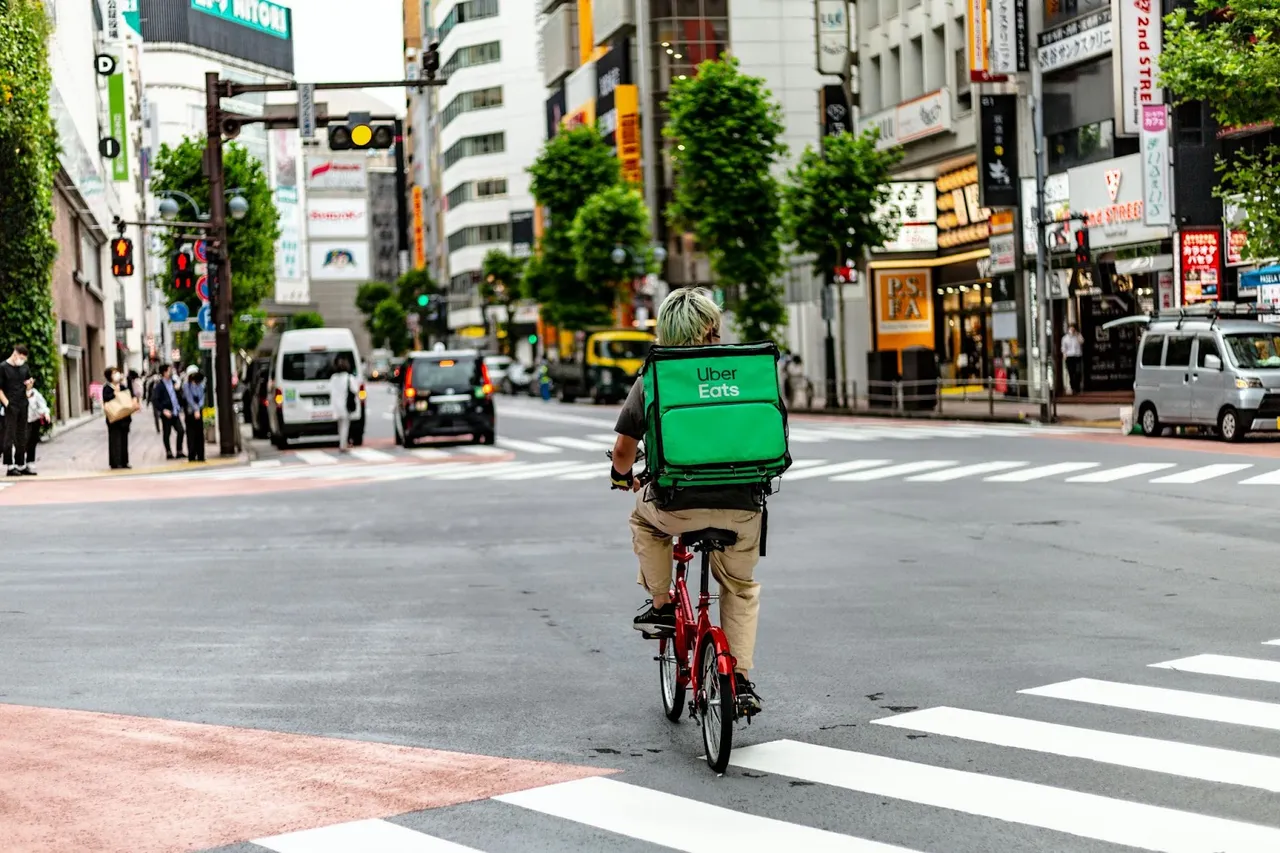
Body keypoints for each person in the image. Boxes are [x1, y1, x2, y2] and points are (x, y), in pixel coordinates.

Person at [609, 288, 764, 713]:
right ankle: (742, 678)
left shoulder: (655, 377)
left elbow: (624, 453)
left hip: (676, 504)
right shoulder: (741, 371)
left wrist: (621, 476)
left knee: (643, 519)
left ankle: (661, 605)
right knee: (739, 588)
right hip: (743, 505)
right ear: (713, 328)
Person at [0, 344, 35, 476]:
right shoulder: (3, 367)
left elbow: (28, 386)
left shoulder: (24, 367)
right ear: (14, 354)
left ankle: (21, 464)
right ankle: (10, 466)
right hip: (10, 405)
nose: (22, 361)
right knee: (9, 435)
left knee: (22, 434)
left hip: (23, 403)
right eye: (20, 358)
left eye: (24, 359)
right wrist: (7, 404)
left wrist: (29, 386)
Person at [150, 363, 186, 459]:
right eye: (169, 370)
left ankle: (179, 451)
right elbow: (155, 399)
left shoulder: (174, 382)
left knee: (181, 431)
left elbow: (179, 396)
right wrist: (163, 410)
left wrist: (178, 390)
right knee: (167, 433)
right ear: (164, 372)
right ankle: (168, 452)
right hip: (167, 413)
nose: (171, 372)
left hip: (175, 411)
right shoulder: (159, 386)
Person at [101, 367, 135, 469]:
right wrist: (115, 394)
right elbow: (106, 399)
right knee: (115, 440)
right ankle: (115, 462)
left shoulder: (123, 386)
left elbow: (130, 395)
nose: (117, 375)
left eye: (117, 372)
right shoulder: (107, 388)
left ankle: (124, 461)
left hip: (124, 418)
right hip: (114, 419)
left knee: (124, 440)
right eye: (114, 373)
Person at [330, 355, 358, 452]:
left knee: (339, 425)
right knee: (345, 425)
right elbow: (355, 390)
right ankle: (343, 445)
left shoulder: (333, 378)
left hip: (335, 404)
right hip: (345, 404)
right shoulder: (349, 377)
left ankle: (342, 443)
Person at [22, 382, 51, 466]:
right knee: (24, 441)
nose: (30, 383)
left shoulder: (35, 393)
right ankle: (21, 462)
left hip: (34, 421)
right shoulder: (19, 392)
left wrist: (46, 413)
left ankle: (30, 462)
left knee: (33, 441)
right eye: (28, 381)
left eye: (31, 381)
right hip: (23, 422)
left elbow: (43, 405)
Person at [183, 365, 206, 463]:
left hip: (199, 412)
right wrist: (195, 409)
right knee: (191, 434)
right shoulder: (186, 385)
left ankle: (201, 455)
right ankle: (192, 455)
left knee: (200, 434)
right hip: (190, 412)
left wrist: (199, 407)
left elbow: (202, 397)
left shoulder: (200, 385)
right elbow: (189, 398)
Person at [1062, 324, 1085, 395]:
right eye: (1071, 329)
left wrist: (1077, 335)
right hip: (1069, 356)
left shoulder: (1078, 336)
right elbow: (1063, 347)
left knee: (1078, 372)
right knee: (1071, 372)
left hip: (1077, 355)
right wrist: (1064, 355)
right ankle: (1073, 387)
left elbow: (1082, 341)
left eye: (1073, 329)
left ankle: (1077, 387)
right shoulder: (1065, 338)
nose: (1072, 330)